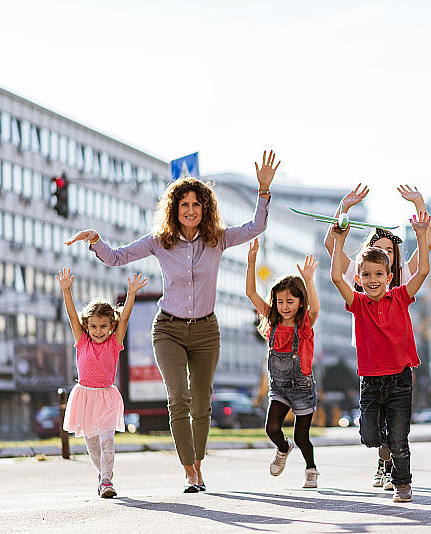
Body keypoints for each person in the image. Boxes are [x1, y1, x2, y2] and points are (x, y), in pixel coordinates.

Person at [65, 150, 280, 492]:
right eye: (184, 205)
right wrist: (95, 240)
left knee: (202, 402)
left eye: (196, 204)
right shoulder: (159, 242)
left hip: (206, 330)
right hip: (168, 329)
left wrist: (263, 190)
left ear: (205, 208)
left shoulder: (218, 239)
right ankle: (189, 471)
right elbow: (117, 257)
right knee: (178, 398)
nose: (190, 210)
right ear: (174, 209)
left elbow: (257, 227)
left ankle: (199, 464)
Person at [323, 183, 431, 489]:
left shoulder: (401, 288)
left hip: (398, 371)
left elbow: (424, 263)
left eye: (388, 252)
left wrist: (420, 218)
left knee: (398, 436)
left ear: (391, 271)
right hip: (370, 370)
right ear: (360, 276)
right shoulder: (358, 291)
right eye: (367, 274)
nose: (374, 278)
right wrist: (343, 212)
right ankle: (383, 456)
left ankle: (400, 479)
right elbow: (334, 265)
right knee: (371, 433)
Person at [56, 267, 148, 498]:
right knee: (92, 445)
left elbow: (124, 317)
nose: (98, 331)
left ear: (111, 326)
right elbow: (72, 315)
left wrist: (131, 293)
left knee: (107, 441)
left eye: (103, 326)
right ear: (87, 326)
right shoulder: (82, 341)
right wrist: (66, 290)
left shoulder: (115, 342)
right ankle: (103, 472)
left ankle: (106, 481)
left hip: (107, 397)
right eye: (94, 326)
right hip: (85, 398)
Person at [245, 240, 321, 488]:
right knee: (272, 428)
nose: (285, 307)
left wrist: (308, 280)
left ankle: (311, 469)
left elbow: (315, 308)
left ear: (300, 302)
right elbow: (251, 293)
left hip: (302, 388)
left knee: (302, 436)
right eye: (280, 302)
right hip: (279, 388)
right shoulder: (272, 321)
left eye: (290, 301)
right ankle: (282, 448)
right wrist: (252, 262)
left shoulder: (304, 324)